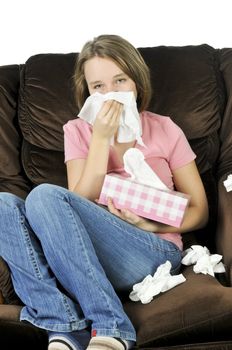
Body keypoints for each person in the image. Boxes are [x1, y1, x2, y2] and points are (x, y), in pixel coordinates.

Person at [0, 34, 208, 350]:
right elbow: (72, 202)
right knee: (3, 204)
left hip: (151, 250)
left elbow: (200, 212)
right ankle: (64, 325)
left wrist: (147, 225)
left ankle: (112, 326)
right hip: (79, 255)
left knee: (44, 195)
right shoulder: (78, 131)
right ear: (88, 93)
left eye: (120, 80)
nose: (110, 94)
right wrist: (100, 140)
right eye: (98, 87)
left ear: (137, 82)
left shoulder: (165, 129)